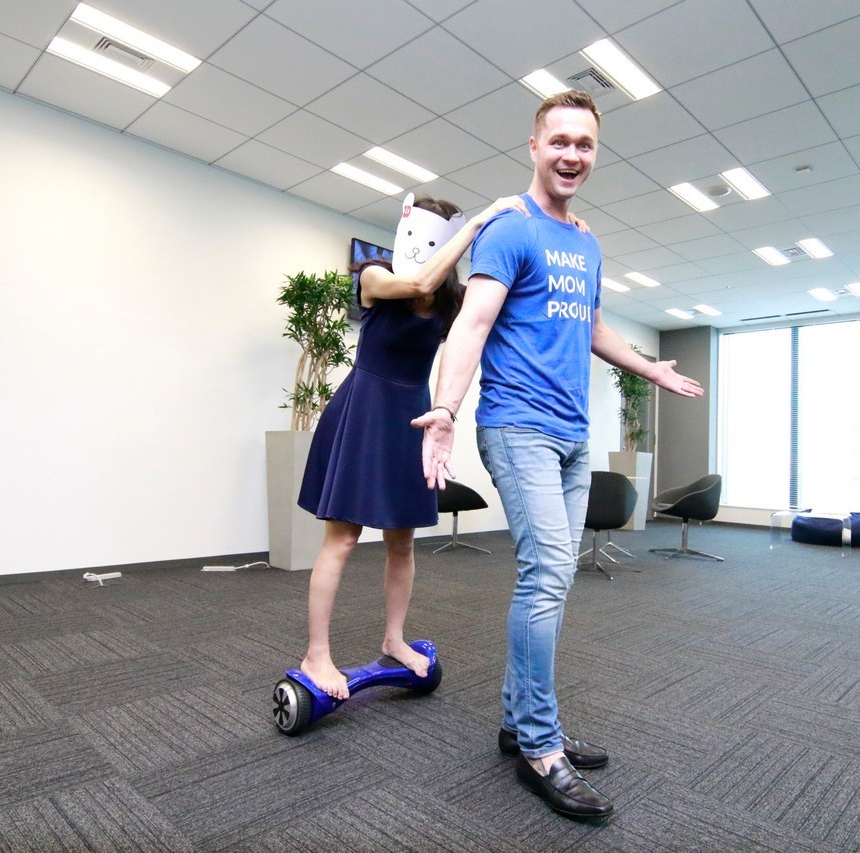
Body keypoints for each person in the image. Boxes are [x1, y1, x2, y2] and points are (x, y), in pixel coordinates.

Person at [412, 90, 705, 820]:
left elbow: (593, 326)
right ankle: (541, 746)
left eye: (585, 143)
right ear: (535, 147)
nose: (572, 154)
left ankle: (518, 721)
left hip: (573, 435)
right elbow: (472, 324)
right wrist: (445, 411)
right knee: (545, 576)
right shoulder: (510, 227)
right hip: (518, 428)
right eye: (560, 141)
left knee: (554, 579)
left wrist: (650, 368)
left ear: (594, 153)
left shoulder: (586, 242)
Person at [296, 192, 528, 701]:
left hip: (413, 417)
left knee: (402, 543)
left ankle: (394, 640)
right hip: (363, 410)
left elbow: (491, 318)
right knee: (343, 538)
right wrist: (477, 225)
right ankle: (317, 654)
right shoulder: (373, 277)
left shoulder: (451, 302)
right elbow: (420, 281)